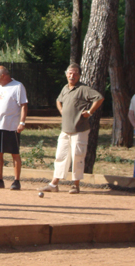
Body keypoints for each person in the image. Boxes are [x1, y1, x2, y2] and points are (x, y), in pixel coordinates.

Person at [39, 63, 104, 194]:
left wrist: (90, 112)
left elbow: (99, 98)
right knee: (60, 156)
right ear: (66, 74)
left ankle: (76, 185)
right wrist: (61, 110)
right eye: (70, 73)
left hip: (79, 130)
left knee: (77, 156)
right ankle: (54, 184)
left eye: (75, 73)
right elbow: (58, 100)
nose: (72, 75)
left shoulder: (83, 89)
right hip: (65, 130)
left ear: (79, 75)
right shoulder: (65, 88)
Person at [0, 66, 28, 190]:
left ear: (2, 76)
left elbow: (24, 105)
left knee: (14, 153)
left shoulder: (17, 86)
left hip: (12, 126)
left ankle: (16, 181)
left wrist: (22, 122)